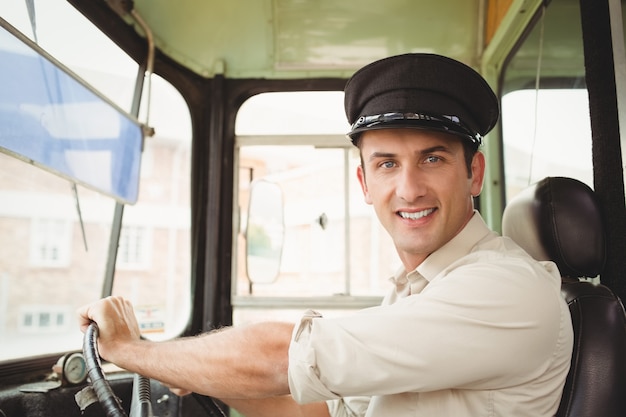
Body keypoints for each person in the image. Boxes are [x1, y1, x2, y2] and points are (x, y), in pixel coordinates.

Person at [77, 53, 574, 417]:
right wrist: (194, 370)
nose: (409, 188)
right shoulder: (417, 293)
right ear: (364, 183)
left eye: (433, 157)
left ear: (474, 173)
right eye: (386, 164)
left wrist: (135, 351)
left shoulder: (507, 289)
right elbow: (320, 410)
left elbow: (281, 358)